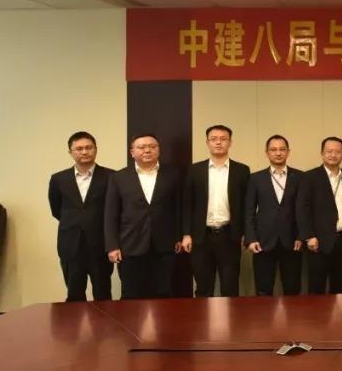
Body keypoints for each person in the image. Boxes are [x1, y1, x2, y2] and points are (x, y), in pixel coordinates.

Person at [104, 133, 181, 300]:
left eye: (152, 147)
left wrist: (179, 237)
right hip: (130, 244)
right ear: (132, 152)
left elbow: (178, 208)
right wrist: (112, 245)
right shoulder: (119, 177)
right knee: (131, 293)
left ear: (158, 150)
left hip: (164, 244)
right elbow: (110, 214)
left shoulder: (173, 175)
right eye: (141, 147)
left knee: (163, 292)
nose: (147, 150)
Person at [181, 124, 250, 297]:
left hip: (230, 236)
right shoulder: (194, 170)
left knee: (230, 287)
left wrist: (246, 233)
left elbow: (246, 205)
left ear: (230, 142)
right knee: (203, 288)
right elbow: (187, 204)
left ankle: (231, 316)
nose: (218, 142)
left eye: (223, 139)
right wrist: (186, 234)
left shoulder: (242, 170)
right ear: (207, 143)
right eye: (213, 139)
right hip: (201, 236)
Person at [48, 131, 112, 301]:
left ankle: (103, 320)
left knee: (103, 293)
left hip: (101, 244)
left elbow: (114, 211)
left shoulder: (111, 177)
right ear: (70, 152)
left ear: (96, 149)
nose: (84, 152)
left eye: (88, 148)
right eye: (79, 148)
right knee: (74, 294)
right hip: (71, 244)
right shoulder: (58, 179)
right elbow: (56, 209)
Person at [244, 135, 304, 296]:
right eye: (273, 149)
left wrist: (301, 236)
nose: (278, 153)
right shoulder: (255, 178)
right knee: (263, 289)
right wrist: (251, 238)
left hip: (292, 241)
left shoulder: (300, 177)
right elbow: (249, 210)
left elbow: (303, 210)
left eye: (282, 149)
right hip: (262, 241)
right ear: (267, 153)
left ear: (288, 152)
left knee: (292, 288)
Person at [297, 136, 342, 294]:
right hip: (318, 242)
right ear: (322, 153)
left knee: (341, 287)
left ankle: (340, 311)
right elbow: (302, 209)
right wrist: (309, 236)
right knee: (317, 287)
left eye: (337, 152)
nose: (333, 155)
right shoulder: (309, 177)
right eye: (329, 151)